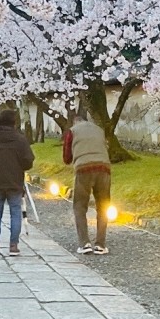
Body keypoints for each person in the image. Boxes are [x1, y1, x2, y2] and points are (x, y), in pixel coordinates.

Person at [0, 109, 34, 257]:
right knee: (15, 212)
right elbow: (28, 161)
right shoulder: (20, 139)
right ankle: (13, 246)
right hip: (14, 181)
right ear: (14, 122)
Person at [62, 109, 112, 255]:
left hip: (83, 168)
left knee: (80, 206)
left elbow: (66, 157)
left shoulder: (72, 131)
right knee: (103, 206)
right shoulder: (99, 129)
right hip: (104, 168)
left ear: (74, 121)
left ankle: (85, 243)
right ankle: (100, 244)